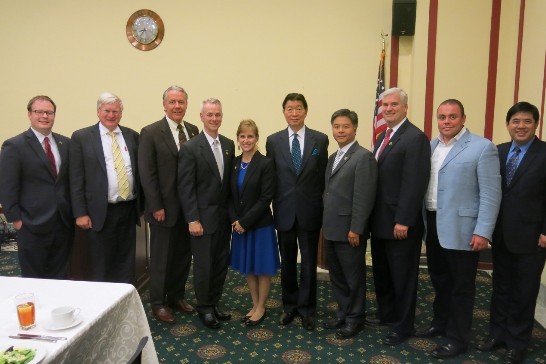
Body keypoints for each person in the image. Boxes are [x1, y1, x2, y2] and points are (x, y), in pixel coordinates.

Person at [417, 99, 501, 359]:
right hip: (433, 223)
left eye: (452, 117)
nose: (446, 122)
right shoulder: (431, 146)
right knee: (440, 280)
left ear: (463, 118)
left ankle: (458, 338)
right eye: (442, 117)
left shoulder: (482, 147)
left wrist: (483, 231)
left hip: (464, 229)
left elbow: (490, 193)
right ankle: (440, 323)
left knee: (461, 287)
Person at [476, 102, 546, 364]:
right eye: (515, 121)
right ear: (508, 125)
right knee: (501, 288)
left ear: (536, 124)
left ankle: (517, 343)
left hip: (533, 238)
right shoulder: (499, 151)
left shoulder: (544, 153)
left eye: (527, 121)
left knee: (524, 292)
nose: (521, 126)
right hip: (502, 235)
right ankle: (497, 335)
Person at [368, 87, 431, 345]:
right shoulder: (384, 135)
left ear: (405, 107)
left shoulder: (415, 138)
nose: (389, 109)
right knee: (382, 272)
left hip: (400, 224)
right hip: (381, 221)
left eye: (394, 104)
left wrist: (404, 219)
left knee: (403, 277)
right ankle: (387, 313)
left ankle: (404, 326)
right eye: (385, 105)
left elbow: (414, 183)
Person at [265, 93, 329, 331]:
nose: (294, 113)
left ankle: (307, 309)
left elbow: (324, 177)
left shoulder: (319, 140)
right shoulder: (274, 141)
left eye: (298, 108)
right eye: (289, 109)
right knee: (288, 263)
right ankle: (290, 307)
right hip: (284, 212)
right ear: (283, 112)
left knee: (309, 264)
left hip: (310, 212)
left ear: (306, 111)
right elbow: (271, 178)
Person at [139, 85, 199, 324]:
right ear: (164, 105)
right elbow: (147, 172)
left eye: (181, 102)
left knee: (183, 256)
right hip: (163, 209)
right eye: (172, 102)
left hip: (189, 210)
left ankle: (176, 295)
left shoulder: (193, 130)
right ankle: (158, 302)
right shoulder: (151, 132)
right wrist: (155, 205)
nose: (177, 106)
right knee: (162, 258)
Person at [69, 92, 141, 284]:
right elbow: (75, 178)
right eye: (107, 111)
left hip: (127, 208)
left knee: (125, 260)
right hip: (98, 212)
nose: (111, 115)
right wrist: (80, 213)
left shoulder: (132, 136)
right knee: (100, 263)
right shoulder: (82, 137)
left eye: (115, 111)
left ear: (121, 113)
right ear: (98, 112)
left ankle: (125, 297)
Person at [0, 95, 73, 279]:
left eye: (49, 112)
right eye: (39, 112)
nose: (44, 116)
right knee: (34, 278)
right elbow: (7, 186)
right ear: (29, 115)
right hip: (31, 224)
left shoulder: (65, 143)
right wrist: (16, 220)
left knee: (61, 275)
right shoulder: (14, 146)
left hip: (62, 222)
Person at [178, 98, 235, 329]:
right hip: (201, 220)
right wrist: (192, 219)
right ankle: (204, 308)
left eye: (218, 114)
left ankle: (215, 302)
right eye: (209, 115)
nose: (214, 119)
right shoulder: (191, 147)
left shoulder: (229, 144)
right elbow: (186, 187)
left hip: (223, 219)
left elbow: (229, 186)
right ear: (201, 117)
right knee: (204, 266)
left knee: (221, 265)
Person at [321, 109, 377, 338]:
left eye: (345, 126)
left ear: (355, 128)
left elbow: (364, 197)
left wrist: (357, 228)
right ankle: (343, 314)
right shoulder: (333, 157)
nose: (340, 130)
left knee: (353, 277)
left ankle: (355, 318)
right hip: (332, 228)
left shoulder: (363, 157)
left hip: (350, 231)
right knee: (337, 276)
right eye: (336, 126)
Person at [229, 119, 280, 327]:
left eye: (250, 136)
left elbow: (266, 197)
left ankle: (261, 306)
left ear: (256, 138)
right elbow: (229, 196)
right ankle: (254, 303)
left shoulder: (265, 163)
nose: (246, 140)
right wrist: (235, 219)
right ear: (238, 139)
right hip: (239, 225)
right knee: (248, 267)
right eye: (242, 136)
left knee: (262, 268)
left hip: (259, 225)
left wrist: (245, 221)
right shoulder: (233, 162)